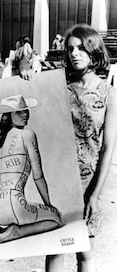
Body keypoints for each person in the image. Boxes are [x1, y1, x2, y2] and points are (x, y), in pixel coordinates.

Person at [45, 24, 117, 272]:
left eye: (81, 48)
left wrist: (95, 195)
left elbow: (108, 148)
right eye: (70, 49)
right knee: (55, 252)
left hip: (89, 183)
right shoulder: (58, 88)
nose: (74, 53)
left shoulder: (109, 93)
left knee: (85, 254)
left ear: (94, 50)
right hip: (60, 181)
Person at [0, 95, 62, 245]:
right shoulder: (27, 135)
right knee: (55, 218)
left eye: (26, 111)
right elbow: (38, 176)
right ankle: (16, 232)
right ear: (8, 115)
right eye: (19, 112)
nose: (25, 114)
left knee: (26, 209)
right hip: (13, 204)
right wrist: (48, 204)